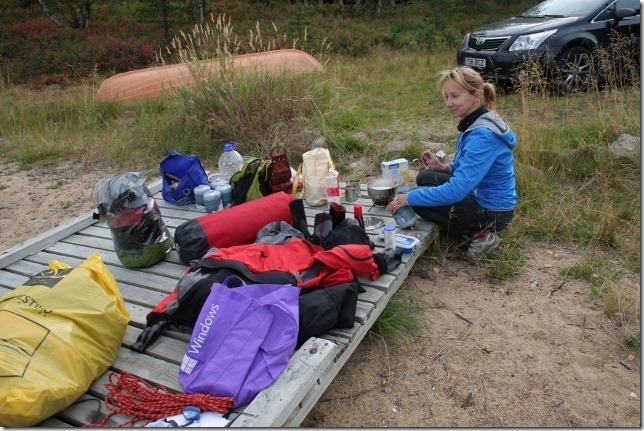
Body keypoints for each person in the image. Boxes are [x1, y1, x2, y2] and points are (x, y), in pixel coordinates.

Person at [386, 66, 517, 261]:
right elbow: (469, 168)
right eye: (446, 97)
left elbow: (456, 190)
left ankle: (481, 235)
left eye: (455, 96)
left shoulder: (482, 135)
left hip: (493, 211)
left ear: (476, 95)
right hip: (479, 194)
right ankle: (469, 226)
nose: (449, 103)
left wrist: (409, 198)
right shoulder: (475, 121)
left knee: (420, 204)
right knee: (425, 177)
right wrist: (444, 167)